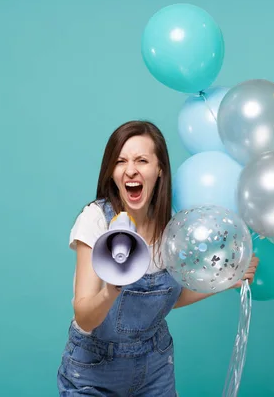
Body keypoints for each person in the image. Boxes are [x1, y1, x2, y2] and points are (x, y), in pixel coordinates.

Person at [57, 120, 259, 396]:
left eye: (142, 160)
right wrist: (112, 290)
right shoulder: (95, 220)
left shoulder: (172, 229)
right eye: (121, 161)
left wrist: (227, 279)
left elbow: (167, 297)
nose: (131, 170)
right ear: (111, 172)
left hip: (155, 365)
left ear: (159, 169)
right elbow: (85, 317)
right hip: (94, 368)